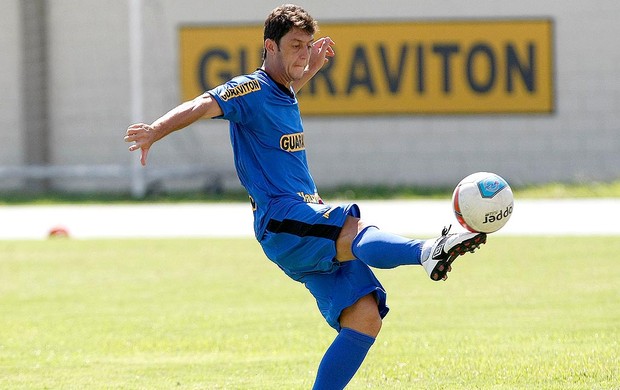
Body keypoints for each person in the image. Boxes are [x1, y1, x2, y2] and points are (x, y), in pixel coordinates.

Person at [124, 4, 487, 389]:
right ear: (270, 47)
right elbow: (201, 104)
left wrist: (309, 67)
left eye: (307, 44)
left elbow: (283, 90)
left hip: (300, 221)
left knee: (364, 318)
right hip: (283, 219)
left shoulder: (282, 91)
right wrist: (155, 131)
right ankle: (426, 252)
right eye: (295, 45)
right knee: (352, 226)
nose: (303, 52)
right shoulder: (249, 88)